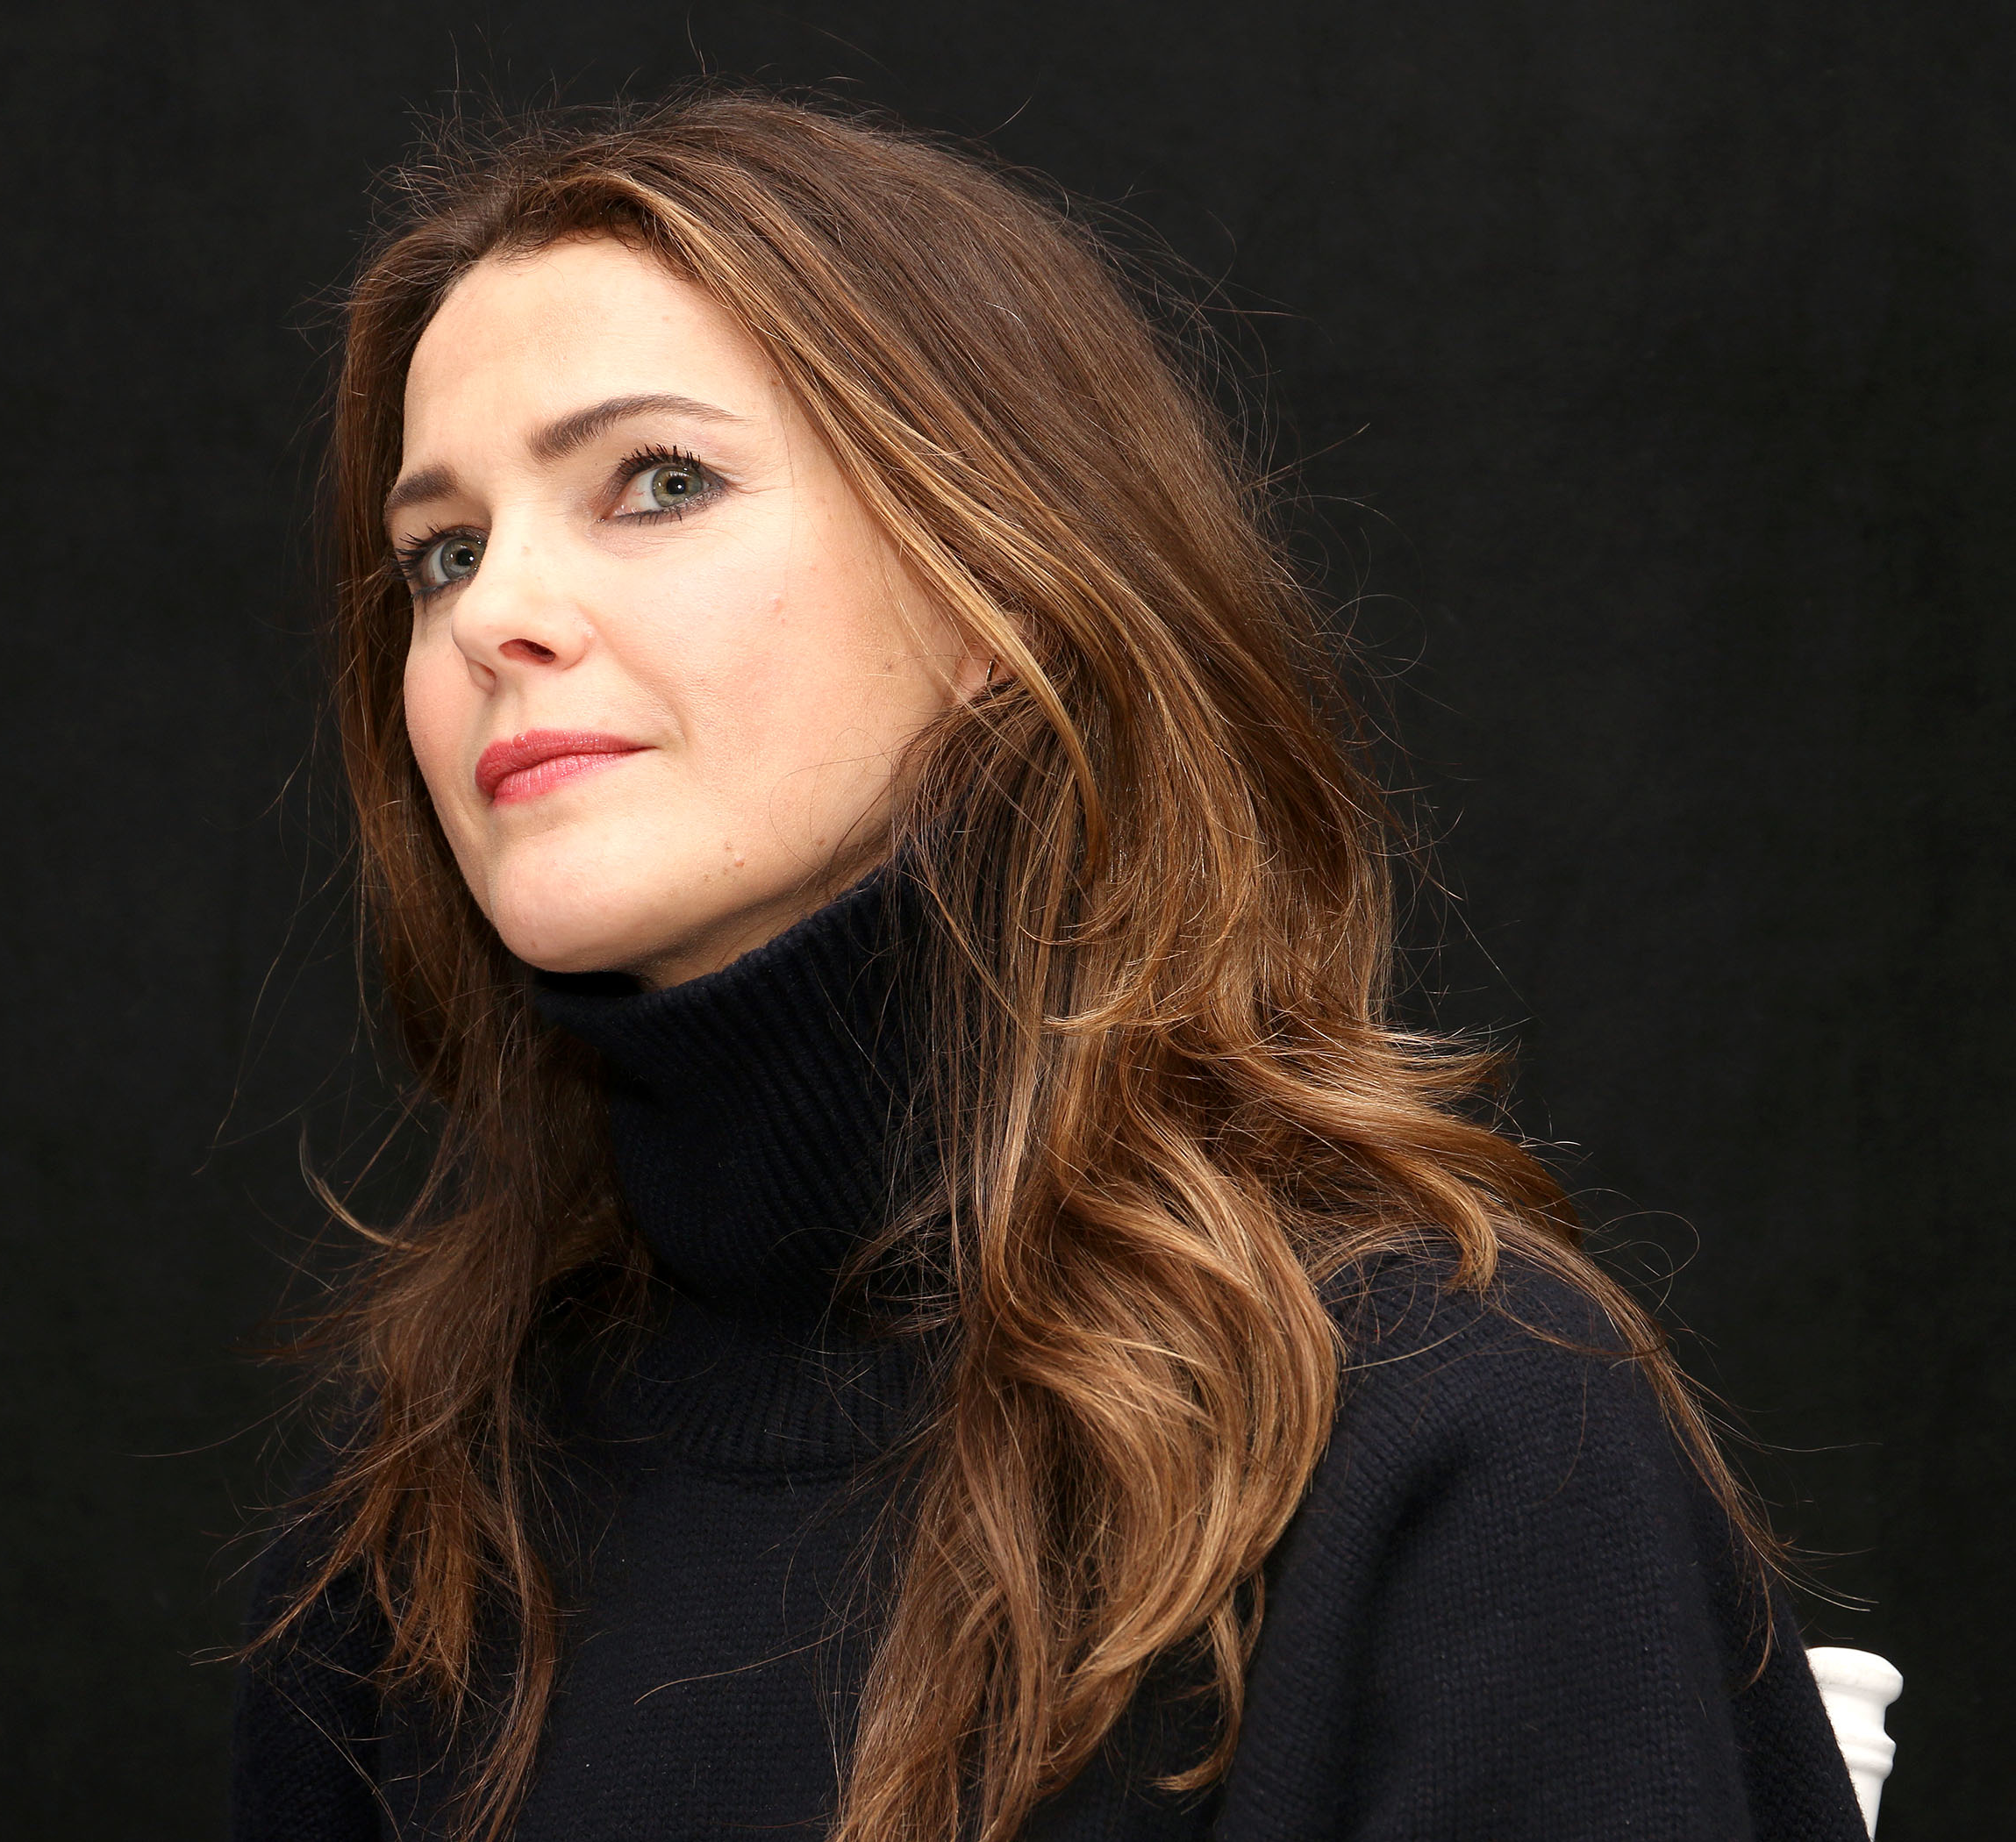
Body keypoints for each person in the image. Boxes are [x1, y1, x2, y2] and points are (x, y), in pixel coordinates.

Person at [232, 87, 1867, 1842]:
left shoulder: (1458, 1438)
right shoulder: (419, 1520)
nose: (492, 614)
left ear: (998, 584)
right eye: (442, 553)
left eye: (661, 483)